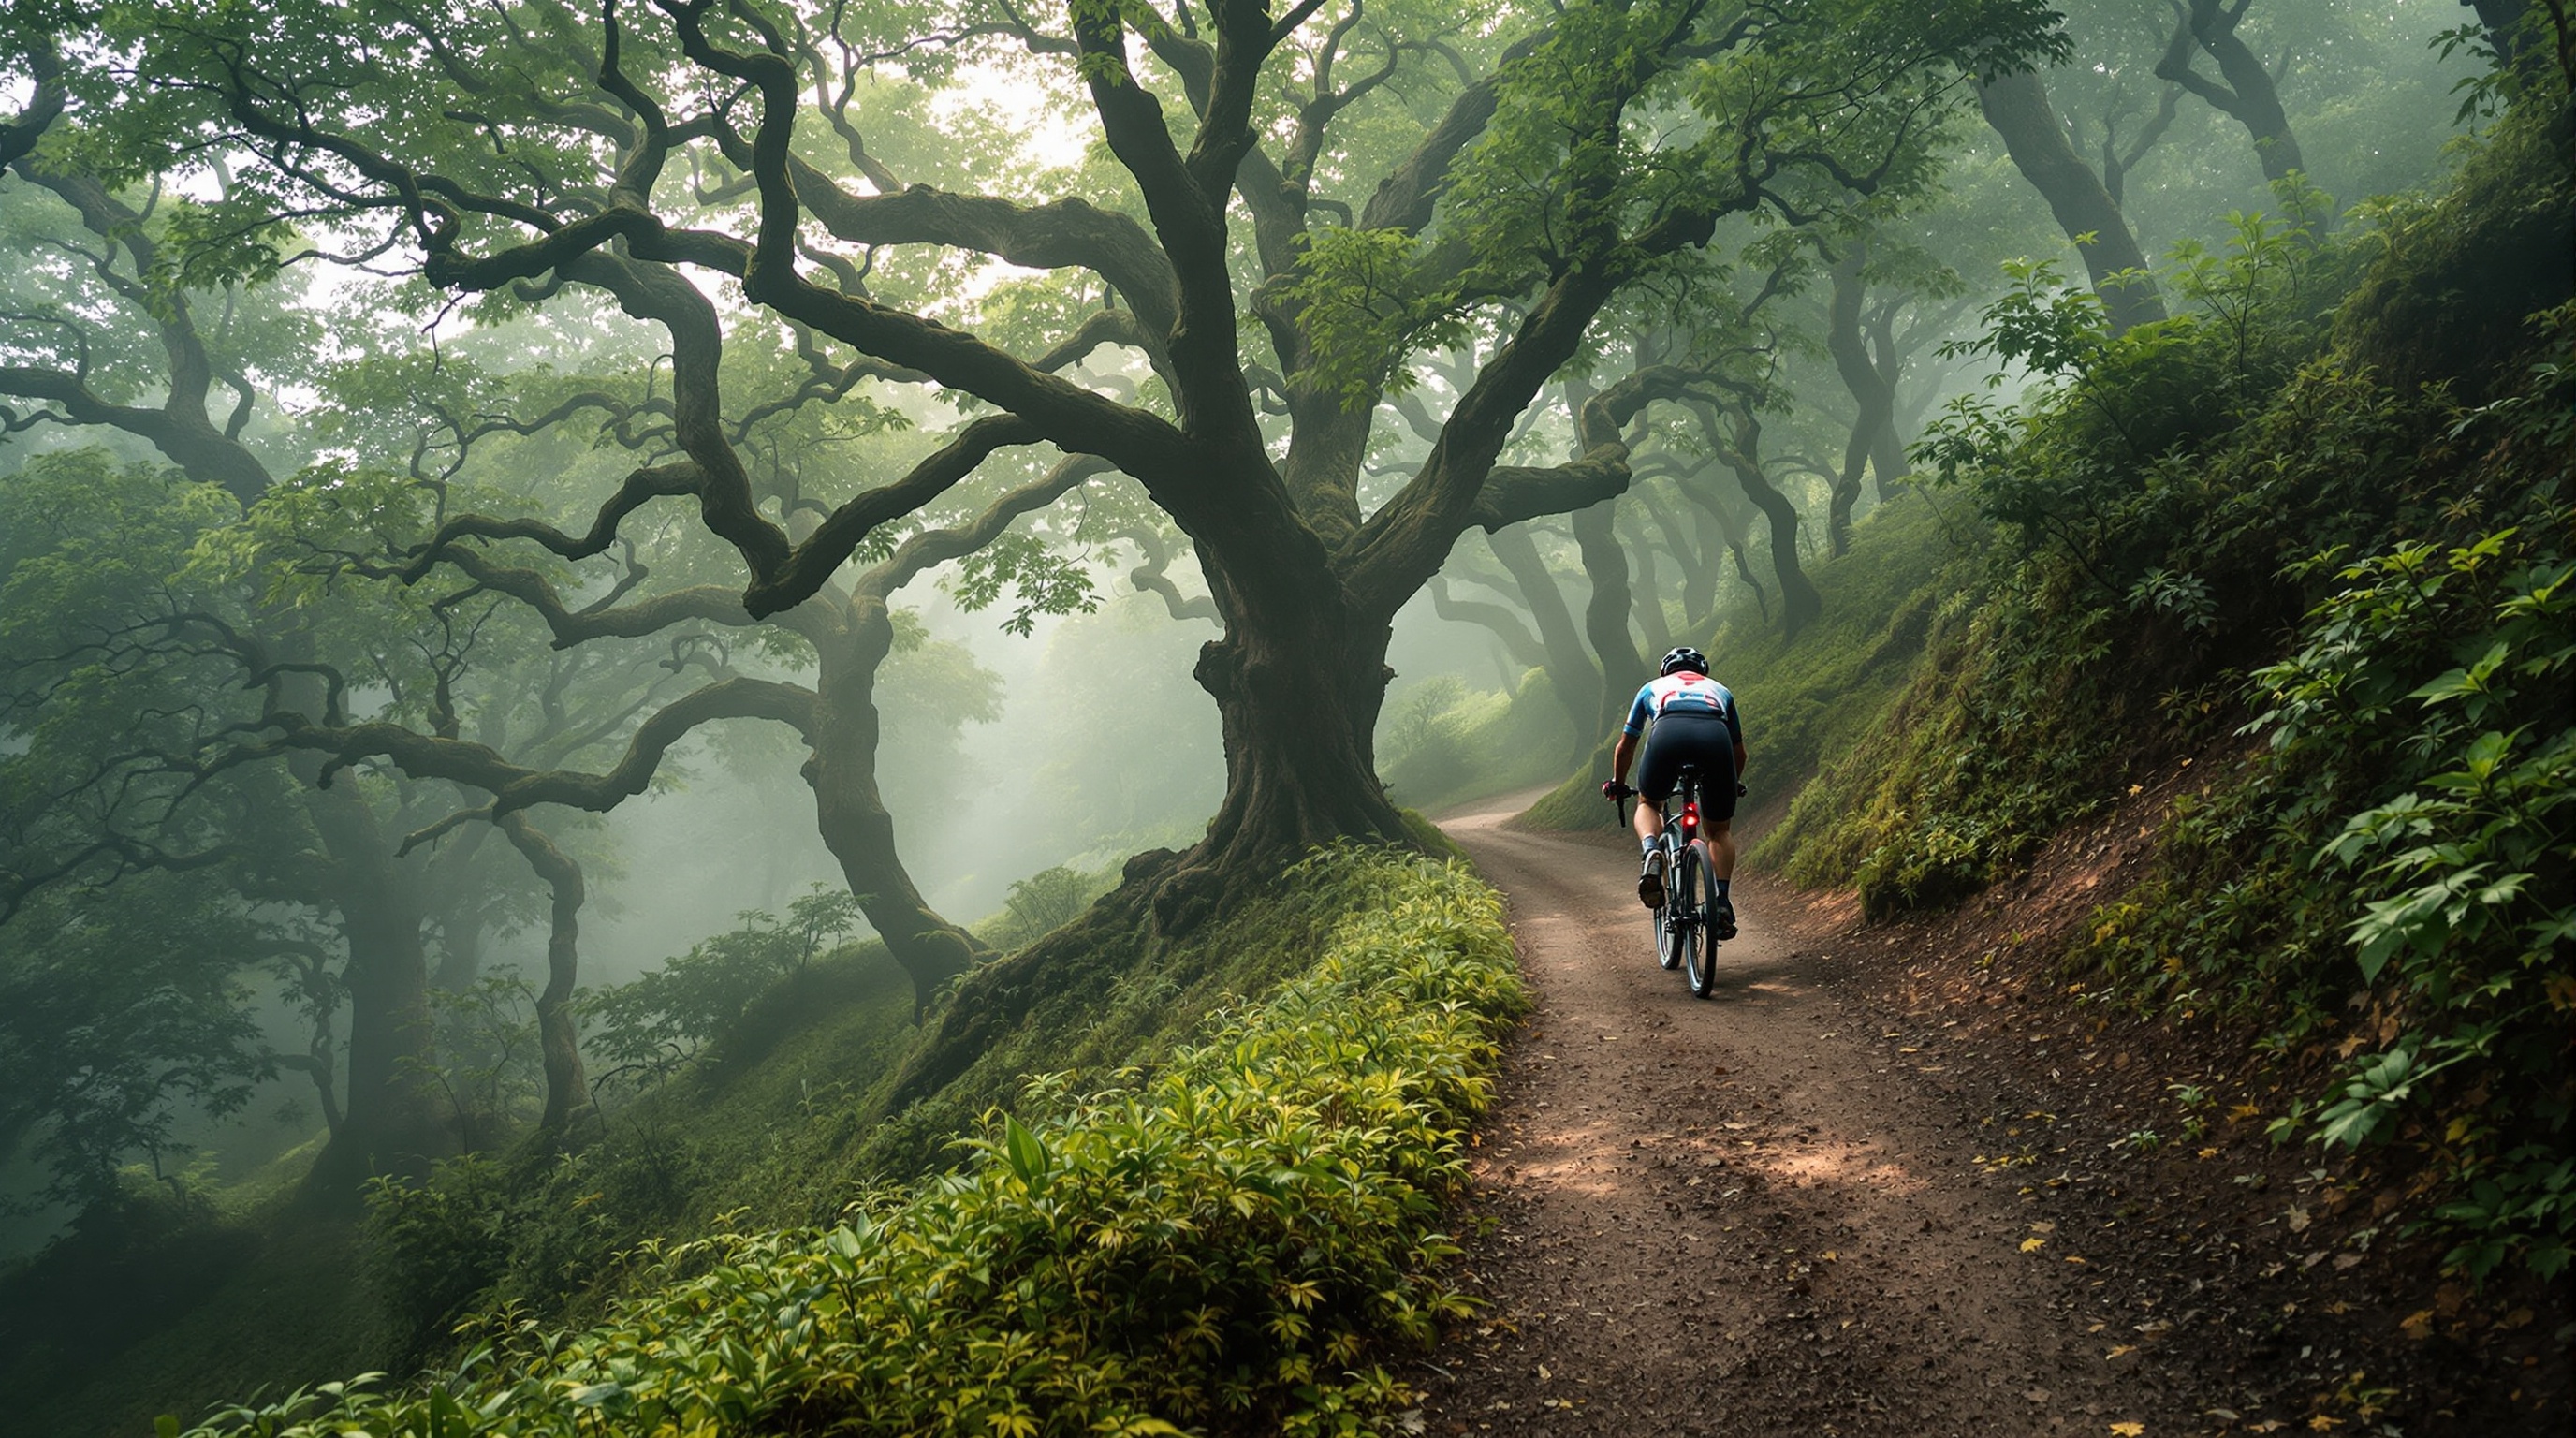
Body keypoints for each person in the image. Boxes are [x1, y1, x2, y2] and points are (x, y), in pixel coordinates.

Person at [1601, 646, 1746, 938]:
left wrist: (1617, 783)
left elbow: (1626, 746)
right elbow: (1739, 752)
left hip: (1668, 732)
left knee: (1650, 802)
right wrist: (1729, 783)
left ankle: (1652, 850)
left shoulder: (1651, 688)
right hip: (1714, 739)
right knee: (1718, 831)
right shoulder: (1721, 691)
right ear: (1701, 671)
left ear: (1666, 670)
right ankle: (1721, 902)